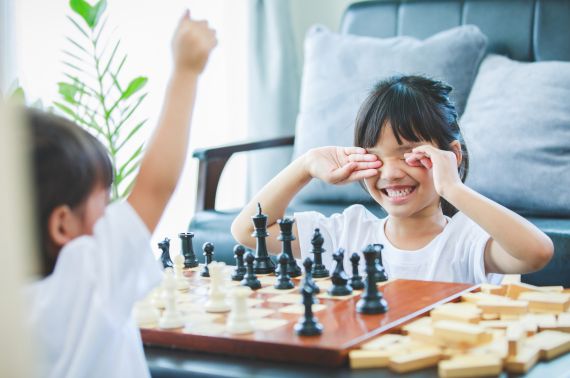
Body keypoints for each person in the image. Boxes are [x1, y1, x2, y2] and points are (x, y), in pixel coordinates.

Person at [25, 11, 216, 378]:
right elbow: (156, 185)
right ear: (63, 224)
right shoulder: (88, 277)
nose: (114, 210)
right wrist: (186, 71)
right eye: (103, 201)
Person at [231, 75, 553, 284]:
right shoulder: (348, 232)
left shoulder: (466, 242)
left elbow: (536, 252)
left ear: (450, 155)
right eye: (375, 156)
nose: (390, 172)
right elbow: (247, 230)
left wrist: (453, 187)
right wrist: (304, 165)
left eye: (408, 153)